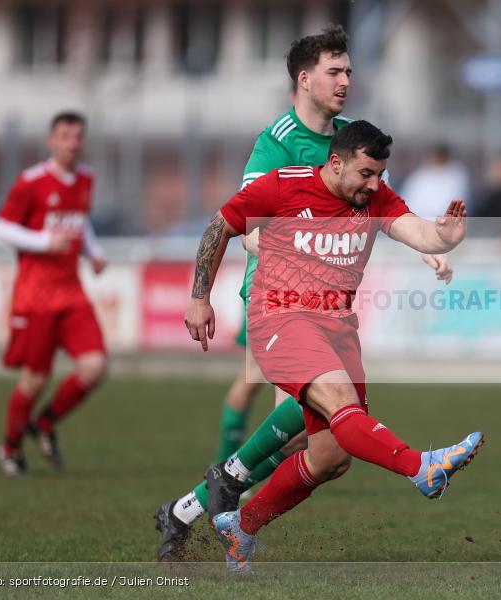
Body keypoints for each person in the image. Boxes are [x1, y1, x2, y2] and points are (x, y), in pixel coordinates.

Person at [153, 25, 453, 561]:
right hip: (278, 299)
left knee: (320, 444)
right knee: (320, 416)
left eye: (349, 72)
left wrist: (424, 241)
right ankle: (223, 494)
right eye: (334, 72)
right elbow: (245, 226)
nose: (345, 81)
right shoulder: (277, 142)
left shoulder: (351, 140)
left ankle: (195, 504)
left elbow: (376, 209)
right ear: (304, 78)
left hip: (329, 303)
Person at [185, 120, 484, 573]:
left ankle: (239, 527)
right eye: (366, 173)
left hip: (338, 326)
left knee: (330, 457)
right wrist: (199, 298)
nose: (375, 183)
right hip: (280, 318)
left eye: (381, 174)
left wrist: (444, 237)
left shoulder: (376, 197)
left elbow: (413, 230)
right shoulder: (283, 187)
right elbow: (219, 227)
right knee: (343, 404)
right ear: (336, 163)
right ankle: (420, 467)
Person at [0, 111, 108, 476]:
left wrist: (93, 251)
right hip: (35, 296)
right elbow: (1, 229)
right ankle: (9, 447)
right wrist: (44, 241)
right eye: (65, 135)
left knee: (95, 366)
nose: (73, 142)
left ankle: (46, 421)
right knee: (35, 378)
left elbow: (80, 221)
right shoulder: (31, 182)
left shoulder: (86, 178)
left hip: (71, 293)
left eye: (78, 136)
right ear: (51, 141)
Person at [399, 144, 470, 218]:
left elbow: (450, 205)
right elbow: (407, 200)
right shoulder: (419, 174)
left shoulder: (456, 174)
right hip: (415, 221)